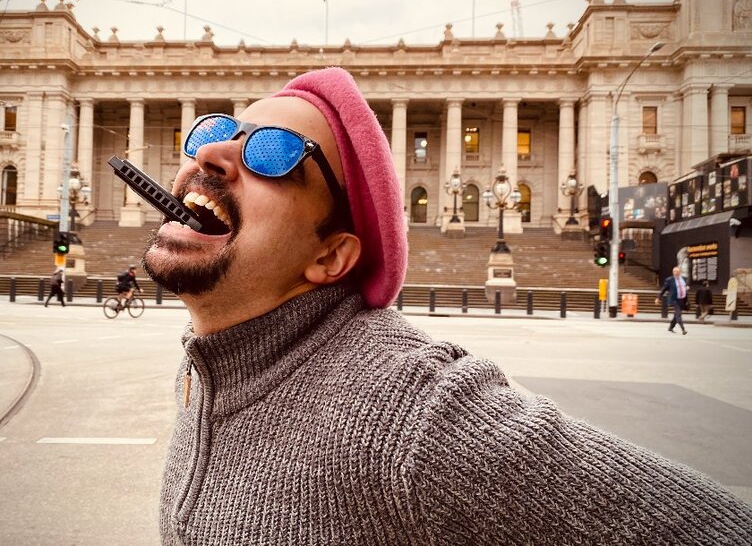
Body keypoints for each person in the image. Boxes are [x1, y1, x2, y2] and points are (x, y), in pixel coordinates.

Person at [142, 68, 751, 544]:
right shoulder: (214, 362)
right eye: (216, 132)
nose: (213, 157)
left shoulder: (409, 412)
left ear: (331, 256)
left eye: (273, 152)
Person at [657, 265, 689, 334]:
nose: (675, 273)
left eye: (676, 271)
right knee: (679, 313)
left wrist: (686, 300)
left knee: (676, 314)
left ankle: (671, 327)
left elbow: (685, 289)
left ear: (679, 272)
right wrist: (658, 298)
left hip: (682, 299)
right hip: (674, 299)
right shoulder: (669, 280)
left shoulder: (684, 279)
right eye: (674, 271)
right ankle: (683, 329)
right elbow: (663, 289)